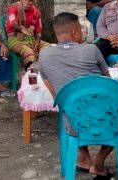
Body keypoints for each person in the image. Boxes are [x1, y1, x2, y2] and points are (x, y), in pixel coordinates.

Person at [39, 12, 114, 180]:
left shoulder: (43, 56)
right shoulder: (92, 50)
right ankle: (99, 163)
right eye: (80, 30)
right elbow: (108, 85)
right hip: (106, 120)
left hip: (73, 122)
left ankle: (85, 157)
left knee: (70, 108)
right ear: (74, 32)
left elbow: (58, 97)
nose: (81, 33)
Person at [5, 0, 49, 69]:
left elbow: (38, 30)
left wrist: (38, 40)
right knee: (29, 52)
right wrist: (21, 29)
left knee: (50, 49)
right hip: (15, 40)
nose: (27, 3)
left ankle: (44, 74)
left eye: (30, 1)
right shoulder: (13, 7)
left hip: (31, 39)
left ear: (34, 1)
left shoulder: (35, 11)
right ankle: (31, 77)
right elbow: (12, 23)